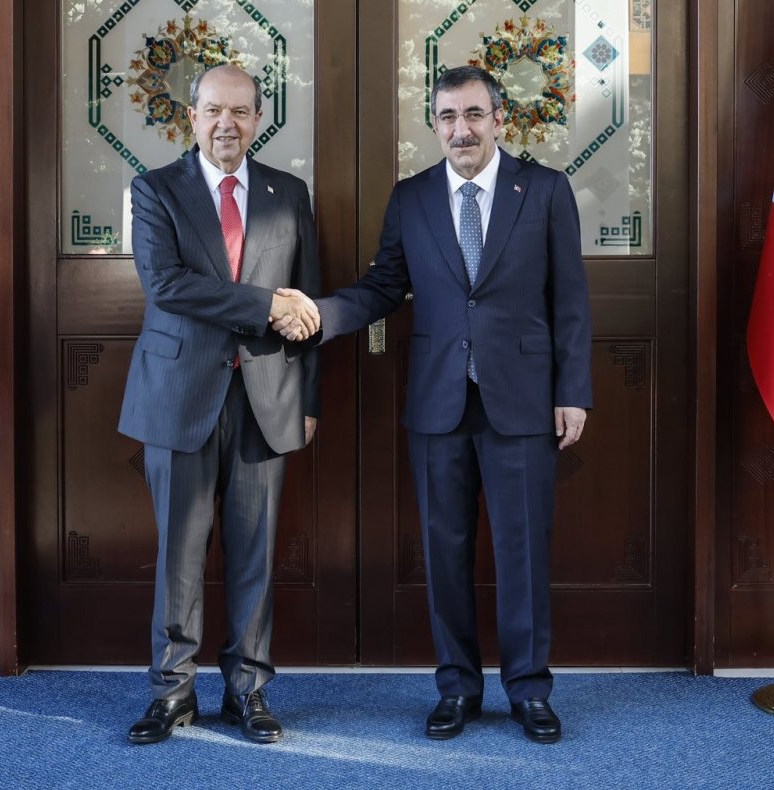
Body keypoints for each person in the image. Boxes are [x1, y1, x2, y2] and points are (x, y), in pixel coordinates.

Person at [277, 64, 590, 744]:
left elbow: (570, 301)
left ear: (499, 119)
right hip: (438, 404)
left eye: (474, 115)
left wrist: (573, 392)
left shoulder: (542, 191)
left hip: (524, 404)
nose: (461, 129)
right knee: (443, 551)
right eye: (447, 117)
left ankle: (529, 691)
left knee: (523, 550)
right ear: (435, 124)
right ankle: (457, 688)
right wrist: (320, 315)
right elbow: (384, 285)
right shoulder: (412, 197)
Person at [119, 64, 322, 746]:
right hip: (179, 397)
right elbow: (168, 285)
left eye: (240, 111)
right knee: (179, 552)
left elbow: (310, 300)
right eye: (213, 110)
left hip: (268, 398)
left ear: (258, 119)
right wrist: (266, 305)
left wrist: (310, 398)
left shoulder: (288, 194)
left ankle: (249, 691)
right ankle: (173, 692)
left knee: (255, 554)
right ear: (193, 115)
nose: (226, 124)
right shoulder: (154, 190)